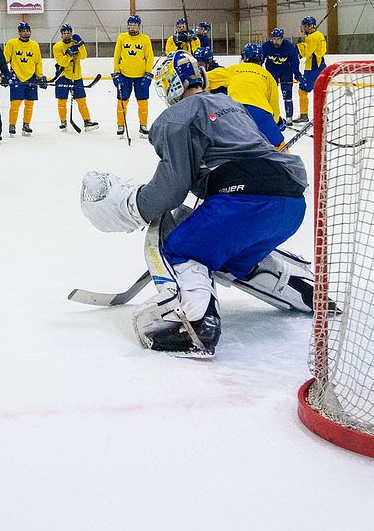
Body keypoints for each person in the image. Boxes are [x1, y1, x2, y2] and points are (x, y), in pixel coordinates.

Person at [79, 50, 309, 357]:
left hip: (242, 204)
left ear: (170, 85)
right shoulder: (230, 104)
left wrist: (136, 206)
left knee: (178, 247)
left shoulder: (175, 117)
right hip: (291, 204)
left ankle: (191, 323)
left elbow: (173, 186)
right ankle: (300, 287)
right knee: (229, 257)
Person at [206, 43, 285, 148]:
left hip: (233, 111)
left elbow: (206, 78)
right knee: (279, 145)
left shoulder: (235, 69)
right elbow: (274, 106)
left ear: (244, 57)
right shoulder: (268, 76)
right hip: (260, 112)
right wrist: (276, 123)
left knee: (233, 147)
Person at [112, 14, 155, 139]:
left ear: (139, 26)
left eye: (135, 24)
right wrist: (116, 73)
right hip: (124, 75)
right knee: (122, 102)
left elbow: (149, 57)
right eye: (131, 24)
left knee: (143, 103)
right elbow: (117, 56)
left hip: (141, 76)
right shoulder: (122, 37)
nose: (133, 27)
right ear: (127, 25)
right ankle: (121, 125)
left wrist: (148, 74)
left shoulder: (145, 39)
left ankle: (143, 125)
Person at [52, 23, 98, 132]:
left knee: (81, 100)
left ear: (71, 33)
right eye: (64, 33)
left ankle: (87, 121)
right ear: (61, 35)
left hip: (76, 76)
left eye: (68, 33)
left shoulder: (75, 43)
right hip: (62, 76)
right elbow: (62, 62)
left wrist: (80, 45)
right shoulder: (57, 47)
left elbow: (83, 57)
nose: (66, 35)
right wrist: (69, 54)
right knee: (62, 101)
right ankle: (63, 122)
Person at [3, 21, 46, 138]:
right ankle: (12, 125)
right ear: (19, 32)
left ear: (30, 32)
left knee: (29, 103)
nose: (25, 32)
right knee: (15, 103)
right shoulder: (12, 43)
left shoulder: (35, 45)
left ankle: (26, 124)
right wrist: (5, 74)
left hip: (31, 76)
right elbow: (4, 60)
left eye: (27, 30)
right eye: (23, 31)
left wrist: (40, 76)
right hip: (16, 76)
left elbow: (38, 62)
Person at [262, 28, 302, 126]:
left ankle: (289, 117)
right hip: (271, 72)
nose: (275, 41)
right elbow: (260, 60)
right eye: (274, 39)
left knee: (287, 95)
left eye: (278, 39)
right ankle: (270, 115)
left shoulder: (289, 46)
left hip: (286, 72)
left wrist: (297, 74)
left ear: (282, 38)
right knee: (270, 96)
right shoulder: (266, 46)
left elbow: (294, 62)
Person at [294, 15, 327, 123]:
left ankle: (304, 115)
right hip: (321, 66)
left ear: (309, 26)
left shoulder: (312, 37)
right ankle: (323, 113)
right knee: (320, 91)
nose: (303, 28)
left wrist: (300, 40)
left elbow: (305, 53)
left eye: (304, 26)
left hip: (313, 69)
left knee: (302, 91)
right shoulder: (320, 35)